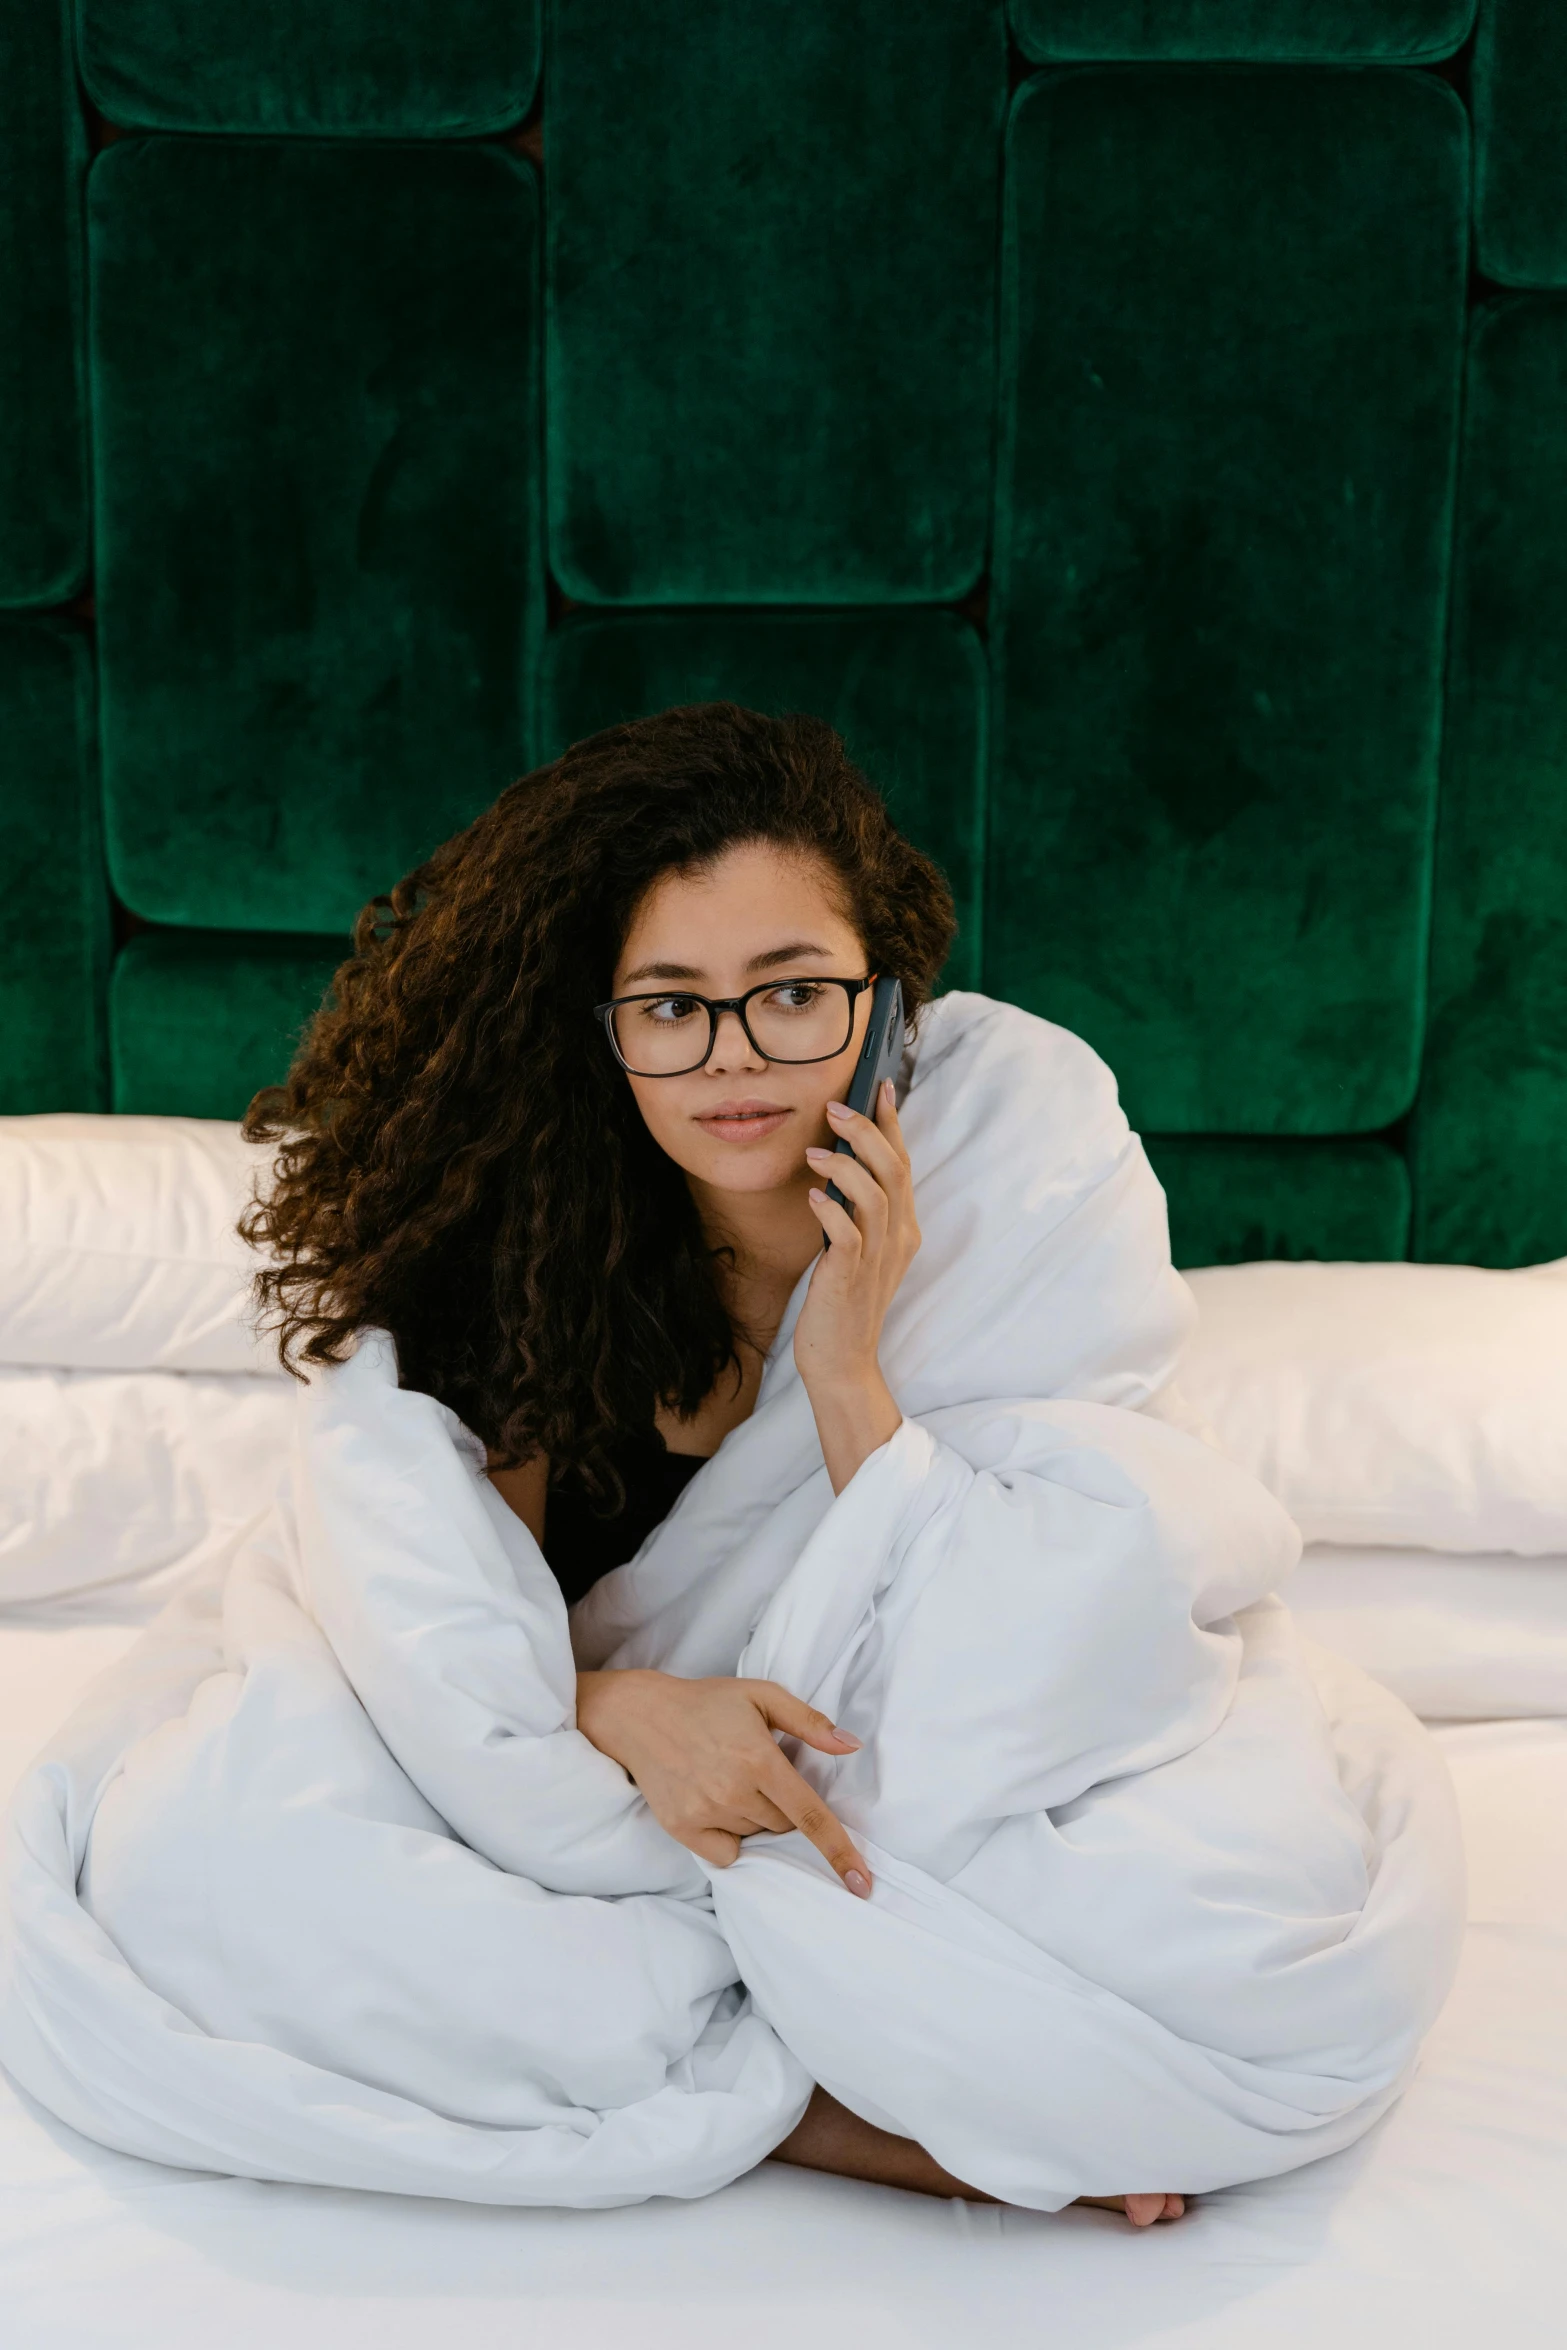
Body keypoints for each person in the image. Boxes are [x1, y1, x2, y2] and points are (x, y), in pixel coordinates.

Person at [1, 705, 1461, 2218]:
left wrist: (845, 1372)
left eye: (793, 994)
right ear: (601, 1024)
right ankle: (821, 2104)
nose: (734, 1058)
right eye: (669, 1005)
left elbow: (1064, 1622)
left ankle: (765, 2033)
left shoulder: (1014, 1152)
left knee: (1244, 1935)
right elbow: (448, 1644)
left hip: (931, 1734)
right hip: (596, 1769)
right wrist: (621, 1706)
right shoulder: (521, 1235)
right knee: (197, 1864)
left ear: (888, 996)